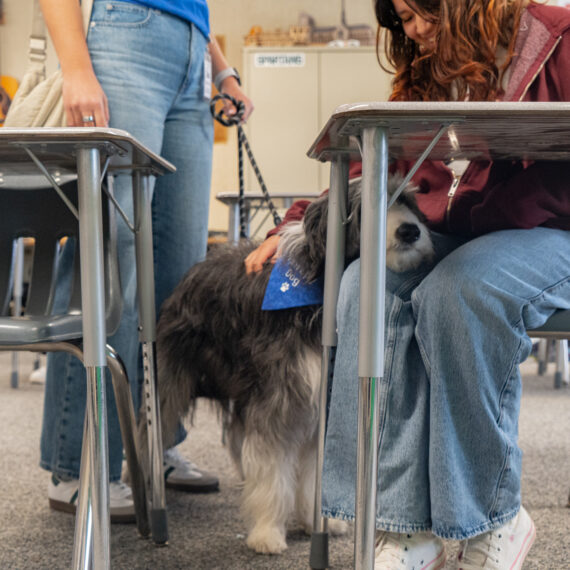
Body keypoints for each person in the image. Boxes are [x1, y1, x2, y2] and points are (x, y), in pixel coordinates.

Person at [246, 1, 570, 568]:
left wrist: (484, 210)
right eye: (401, 19)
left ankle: (495, 518)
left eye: (422, 9)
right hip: (472, 234)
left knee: (461, 288)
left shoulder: (558, 40)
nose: (414, 29)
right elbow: (366, 166)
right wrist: (296, 221)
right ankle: (402, 525)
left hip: (550, 232)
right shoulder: (427, 71)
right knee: (361, 288)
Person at [38, 0, 253, 522]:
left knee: (179, 278)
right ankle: (81, 463)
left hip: (192, 50)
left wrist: (220, 66)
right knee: (111, 259)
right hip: (123, 34)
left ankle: (155, 443)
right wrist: (76, 66)